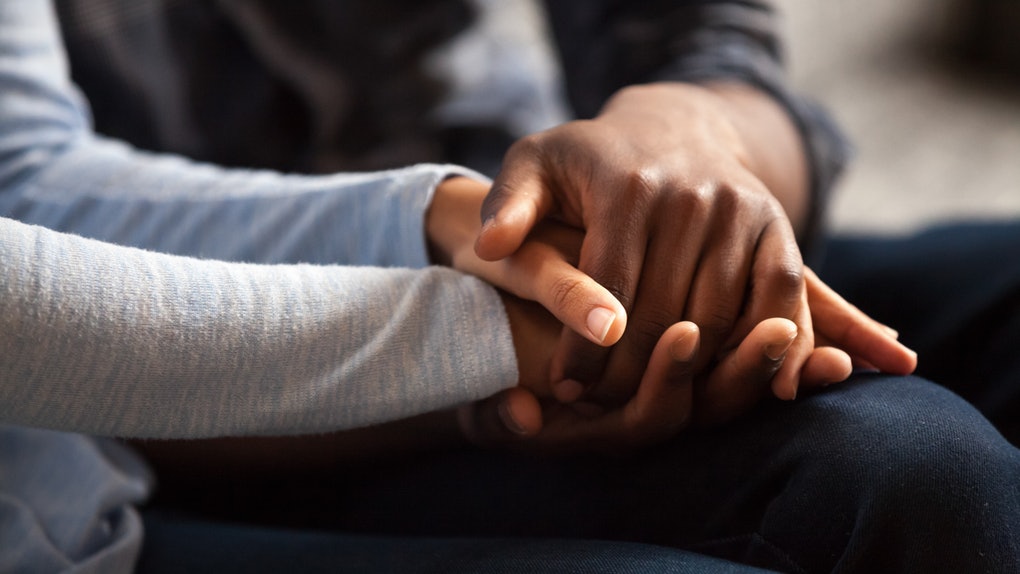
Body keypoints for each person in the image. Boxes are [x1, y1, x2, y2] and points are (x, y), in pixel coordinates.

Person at [0, 1, 1016, 573]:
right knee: (910, 470)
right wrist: (503, 335)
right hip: (189, 382)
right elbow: (33, 198)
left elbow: (708, 51)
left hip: (527, 243)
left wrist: (692, 141)